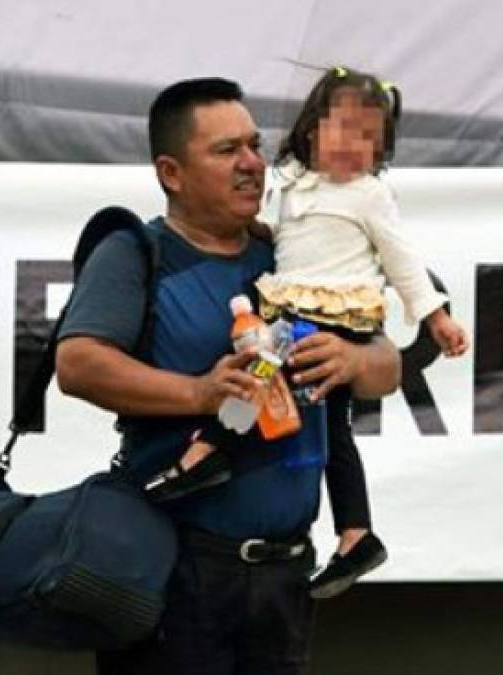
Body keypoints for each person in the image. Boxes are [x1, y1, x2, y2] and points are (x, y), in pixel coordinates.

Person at [55, 77, 401, 674]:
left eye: (254, 145)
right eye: (225, 151)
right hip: (175, 570)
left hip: (285, 576)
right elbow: (78, 364)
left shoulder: (293, 253)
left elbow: (387, 365)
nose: (251, 165)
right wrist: (198, 391)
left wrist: (353, 361)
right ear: (171, 172)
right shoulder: (136, 251)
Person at [147, 66, 470, 600]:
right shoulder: (295, 179)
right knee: (329, 428)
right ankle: (356, 534)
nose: (352, 146)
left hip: (336, 314)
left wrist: (435, 318)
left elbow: (403, 262)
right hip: (294, 303)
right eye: (343, 129)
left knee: (259, 372)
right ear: (312, 129)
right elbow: (297, 238)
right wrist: (257, 231)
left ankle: (206, 452)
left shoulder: (369, 195)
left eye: (369, 137)